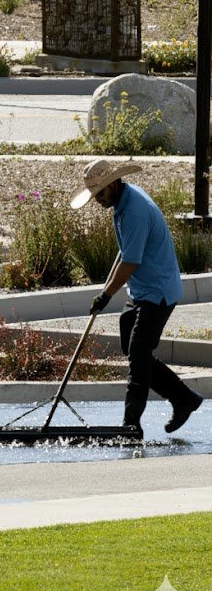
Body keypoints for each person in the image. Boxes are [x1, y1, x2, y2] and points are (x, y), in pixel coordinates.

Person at [72, 159, 203, 433]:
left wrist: (106, 296)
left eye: (100, 193)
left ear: (113, 184)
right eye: (94, 195)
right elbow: (125, 252)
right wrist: (103, 292)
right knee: (131, 348)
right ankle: (184, 398)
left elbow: (131, 261)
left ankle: (131, 424)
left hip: (158, 292)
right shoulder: (121, 203)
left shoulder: (135, 210)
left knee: (138, 354)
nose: (97, 200)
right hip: (142, 290)